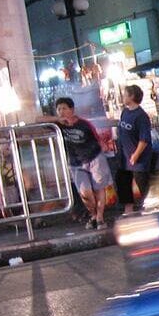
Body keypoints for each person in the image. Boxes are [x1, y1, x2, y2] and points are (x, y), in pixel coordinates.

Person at [52, 97, 112, 229]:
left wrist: (104, 146)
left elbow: (98, 139)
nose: (61, 111)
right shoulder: (57, 126)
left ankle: (99, 217)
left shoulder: (84, 124)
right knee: (85, 193)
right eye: (59, 109)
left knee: (98, 189)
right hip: (75, 163)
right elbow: (37, 120)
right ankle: (93, 214)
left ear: (72, 110)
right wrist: (56, 120)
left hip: (94, 159)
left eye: (64, 108)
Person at [116, 85, 153, 214]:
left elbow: (144, 140)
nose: (123, 97)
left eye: (125, 94)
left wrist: (136, 155)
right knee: (124, 182)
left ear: (132, 96)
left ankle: (147, 206)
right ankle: (128, 210)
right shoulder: (125, 112)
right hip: (125, 156)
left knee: (142, 183)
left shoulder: (141, 116)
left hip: (138, 158)